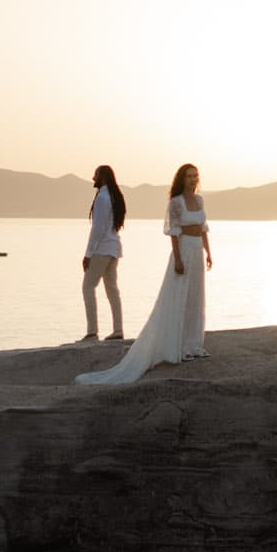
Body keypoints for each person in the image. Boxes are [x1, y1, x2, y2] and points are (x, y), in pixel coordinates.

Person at [78, 163, 210, 387]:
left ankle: (192, 344)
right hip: (177, 250)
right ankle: (164, 342)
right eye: (189, 176)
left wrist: (208, 252)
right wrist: (178, 258)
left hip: (194, 251)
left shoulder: (199, 200)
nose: (193, 179)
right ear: (181, 179)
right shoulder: (173, 202)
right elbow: (174, 232)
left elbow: (204, 227)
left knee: (195, 298)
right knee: (175, 296)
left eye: (195, 175)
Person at [81, 163, 126, 343]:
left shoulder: (102, 198)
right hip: (114, 248)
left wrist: (88, 254)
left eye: (96, 174)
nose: (93, 178)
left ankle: (92, 332)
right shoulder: (115, 197)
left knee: (88, 287)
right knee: (112, 290)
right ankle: (118, 330)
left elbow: (98, 229)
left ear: (103, 177)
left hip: (102, 249)